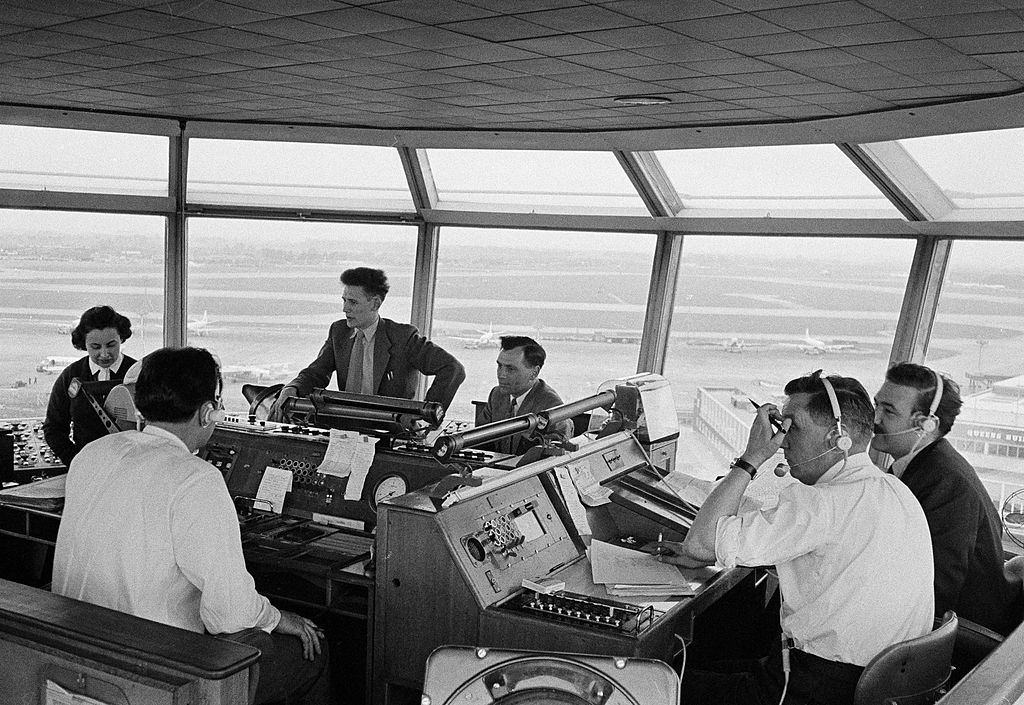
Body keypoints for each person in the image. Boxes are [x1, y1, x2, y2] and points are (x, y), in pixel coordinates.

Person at [52, 347, 332, 705]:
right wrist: (278, 618)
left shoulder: (92, 455)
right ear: (206, 412)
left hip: (73, 654)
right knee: (312, 650)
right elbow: (229, 613)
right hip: (153, 674)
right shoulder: (197, 478)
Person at [651, 370, 933, 705]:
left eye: (792, 427)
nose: (782, 441)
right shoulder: (895, 491)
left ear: (836, 437)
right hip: (869, 685)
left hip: (812, 689)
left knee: (654, 681)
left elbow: (699, 542)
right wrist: (712, 552)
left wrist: (751, 458)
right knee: (697, 665)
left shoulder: (820, 502)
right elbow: (833, 561)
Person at [873, 362, 1021, 635]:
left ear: (927, 425)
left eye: (888, 411)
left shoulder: (948, 484)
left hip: (962, 632)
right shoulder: (923, 468)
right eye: (877, 405)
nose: (875, 418)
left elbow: (938, 589)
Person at [270, 267, 465, 419]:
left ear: (375, 304)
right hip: (344, 426)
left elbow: (453, 369)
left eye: (353, 302)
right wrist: (292, 388)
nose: (345, 308)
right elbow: (315, 373)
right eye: (344, 300)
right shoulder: (338, 332)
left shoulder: (403, 337)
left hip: (390, 433)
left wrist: (427, 415)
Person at [43, 305, 137, 466]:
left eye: (111, 345)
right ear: (84, 344)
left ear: (121, 338)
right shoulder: (70, 376)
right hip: (85, 466)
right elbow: (53, 428)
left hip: (133, 466)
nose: (104, 354)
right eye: (95, 347)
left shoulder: (138, 374)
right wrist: (77, 462)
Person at [477, 336, 574, 456]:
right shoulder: (496, 395)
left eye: (510, 369)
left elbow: (555, 454)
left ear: (534, 373)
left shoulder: (551, 405)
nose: (501, 375)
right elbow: (479, 440)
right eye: (500, 366)